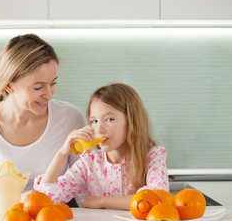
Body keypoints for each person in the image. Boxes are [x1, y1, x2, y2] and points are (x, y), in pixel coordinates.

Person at [0, 34, 85, 208]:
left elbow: (82, 191)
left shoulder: (70, 117)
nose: (49, 94)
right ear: (9, 85)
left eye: (53, 83)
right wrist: (24, 202)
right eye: (38, 87)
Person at [34, 83, 169, 210]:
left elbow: (156, 198)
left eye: (109, 119)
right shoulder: (89, 162)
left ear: (131, 121)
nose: (99, 129)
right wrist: (62, 154)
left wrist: (100, 202)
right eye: (94, 121)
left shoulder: (153, 156)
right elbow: (45, 198)